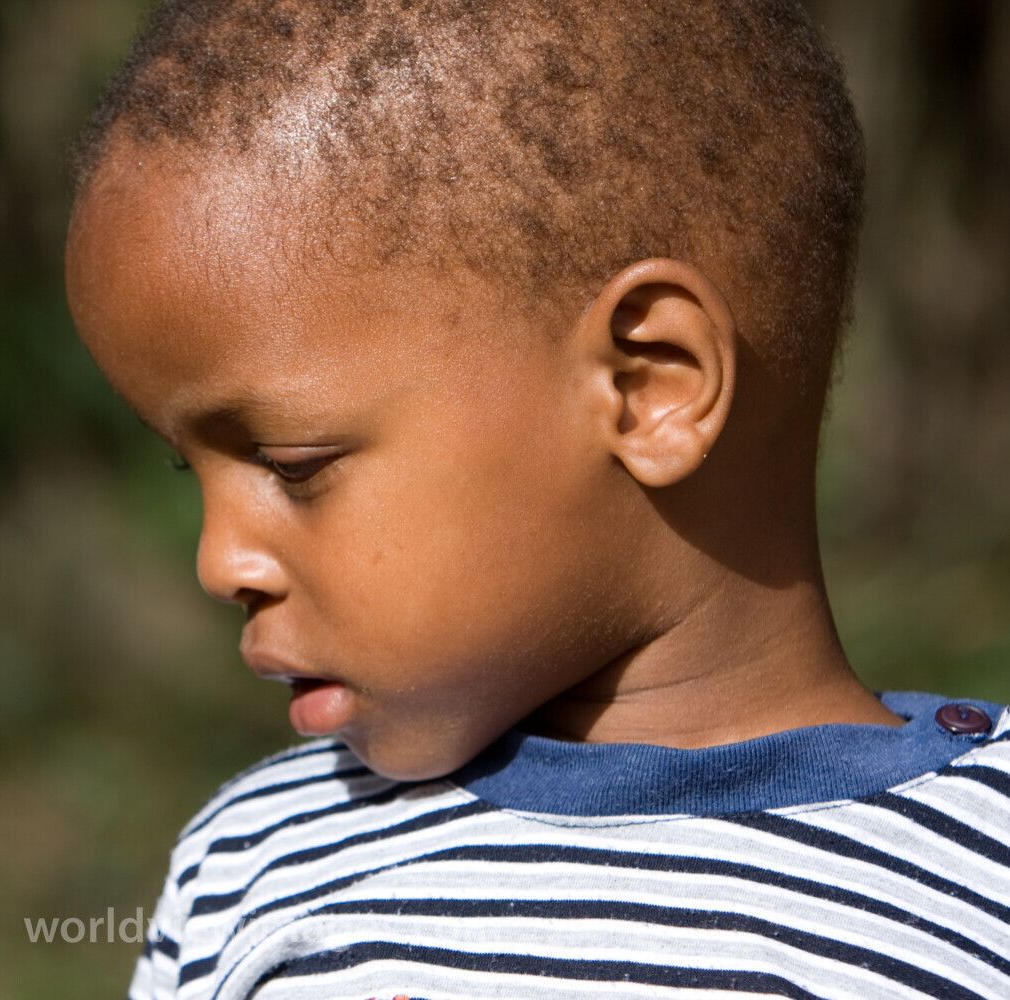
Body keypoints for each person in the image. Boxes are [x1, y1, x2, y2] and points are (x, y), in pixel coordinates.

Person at [62, 1, 1010, 997]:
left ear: (649, 388)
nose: (218, 562)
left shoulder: (982, 871)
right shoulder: (255, 861)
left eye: (295, 463)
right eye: (191, 469)